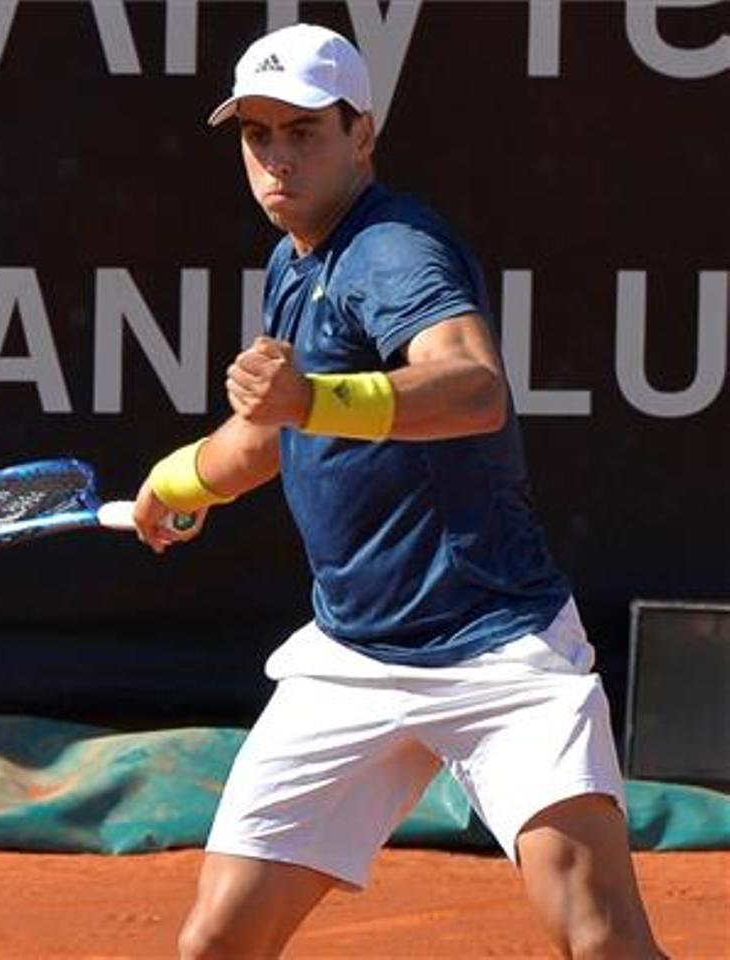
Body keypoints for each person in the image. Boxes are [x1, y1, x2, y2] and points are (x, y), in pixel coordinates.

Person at [132, 23, 665, 960]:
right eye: (259, 136)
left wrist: (314, 395)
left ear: (362, 135)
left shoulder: (392, 251)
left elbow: (473, 387)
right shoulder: (296, 256)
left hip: (497, 651)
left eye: (303, 132)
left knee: (601, 939)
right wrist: (178, 482)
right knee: (216, 943)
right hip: (352, 657)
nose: (278, 159)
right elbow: (269, 435)